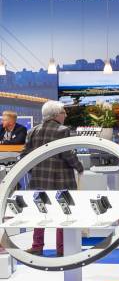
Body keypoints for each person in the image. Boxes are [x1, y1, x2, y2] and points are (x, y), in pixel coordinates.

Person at [22, 101, 84, 256]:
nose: (66, 115)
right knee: (62, 212)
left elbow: (24, 156)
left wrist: (33, 171)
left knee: (40, 212)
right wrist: (79, 167)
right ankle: (62, 249)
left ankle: (37, 246)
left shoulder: (32, 131)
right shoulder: (63, 130)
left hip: (38, 180)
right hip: (61, 180)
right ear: (56, 115)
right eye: (63, 112)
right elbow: (68, 154)